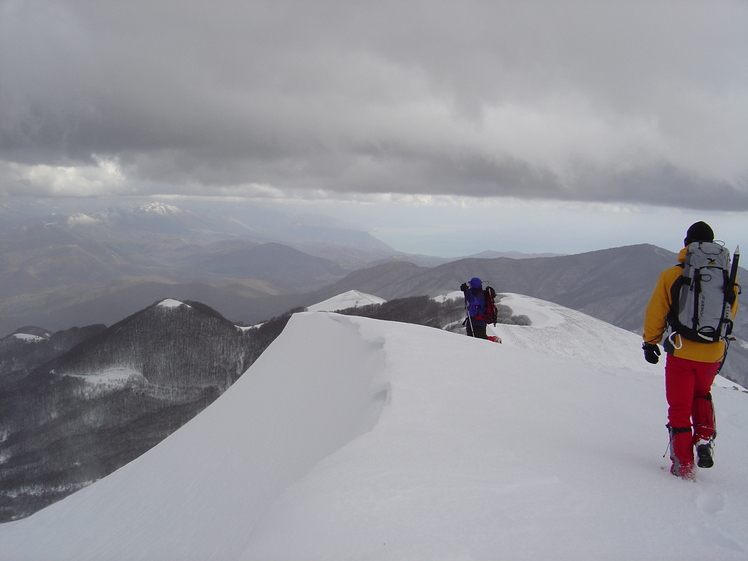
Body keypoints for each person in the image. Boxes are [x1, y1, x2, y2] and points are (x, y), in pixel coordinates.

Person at [642, 221, 739, 480]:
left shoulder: (673, 275)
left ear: (687, 244)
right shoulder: (729, 276)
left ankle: (683, 466)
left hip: (682, 351)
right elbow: (730, 314)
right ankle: (704, 438)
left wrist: (650, 342)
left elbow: (656, 313)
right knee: (702, 393)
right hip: (714, 350)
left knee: (679, 408)